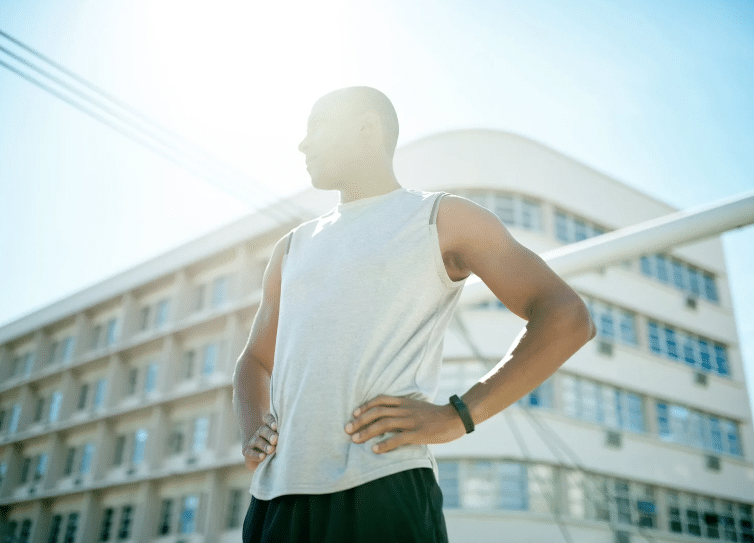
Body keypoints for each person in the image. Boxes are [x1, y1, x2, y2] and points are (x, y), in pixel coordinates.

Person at [233, 86, 595, 543]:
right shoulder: (292, 247)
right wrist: (252, 429)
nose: (303, 144)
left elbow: (567, 316)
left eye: (317, 126)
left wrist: (459, 414)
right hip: (276, 501)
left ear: (367, 127)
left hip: (383, 487)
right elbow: (253, 363)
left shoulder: (440, 217)